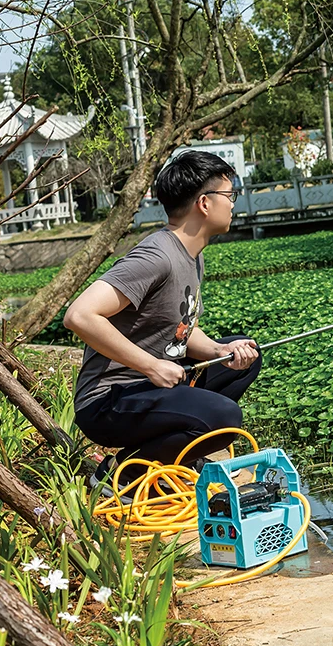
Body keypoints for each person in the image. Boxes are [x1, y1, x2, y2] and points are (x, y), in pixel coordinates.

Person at [65, 151, 261, 499]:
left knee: (245, 356)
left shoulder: (192, 255)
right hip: (109, 400)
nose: (233, 204)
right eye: (229, 195)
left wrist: (220, 350)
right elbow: (80, 315)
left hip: (149, 387)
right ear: (204, 203)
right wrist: (151, 365)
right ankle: (124, 475)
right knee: (225, 416)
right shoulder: (157, 256)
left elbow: (180, 330)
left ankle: (176, 454)